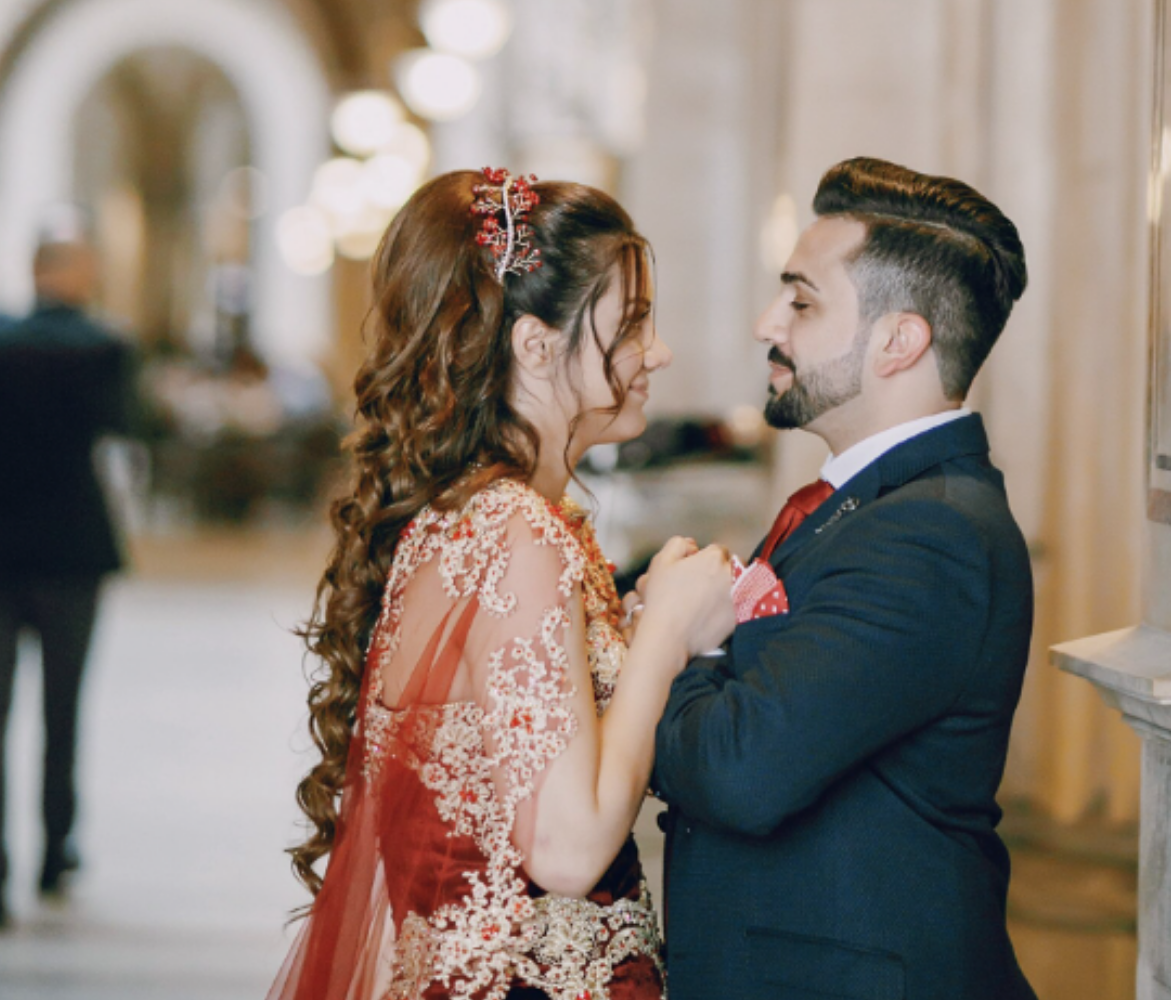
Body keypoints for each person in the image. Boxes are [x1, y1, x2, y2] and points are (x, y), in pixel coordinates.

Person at [268, 169, 735, 1000]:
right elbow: (566, 851)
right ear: (535, 345)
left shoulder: (471, 520)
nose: (657, 352)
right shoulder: (516, 533)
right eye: (631, 324)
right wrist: (663, 636)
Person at [651, 157, 1038, 999]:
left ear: (900, 342)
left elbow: (742, 770)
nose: (767, 324)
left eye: (801, 302)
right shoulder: (865, 505)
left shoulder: (929, 533)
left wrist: (673, 647)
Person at [0, 235, 134, 925]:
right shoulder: (104, 347)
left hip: (3, 543)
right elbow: (128, 424)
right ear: (75, 275)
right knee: (62, 710)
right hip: (72, 546)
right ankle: (56, 848)